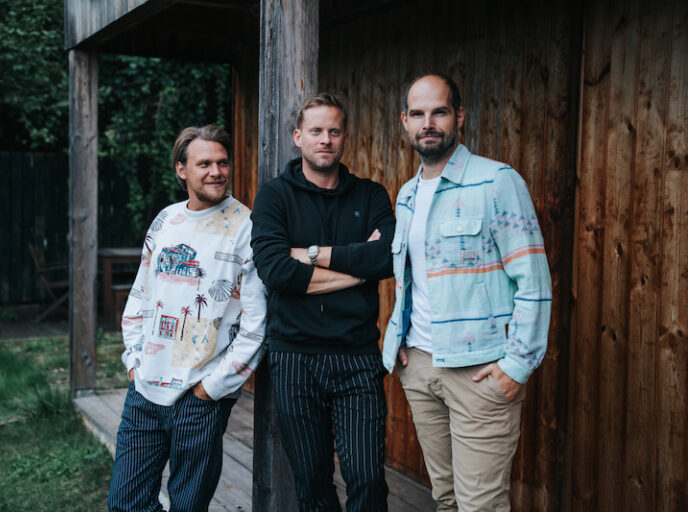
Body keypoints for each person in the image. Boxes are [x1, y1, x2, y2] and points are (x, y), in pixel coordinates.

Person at [383, 74, 552, 510]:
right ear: (405, 121)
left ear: (458, 116)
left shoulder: (497, 181)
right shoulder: (407, 195)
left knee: (481, 505)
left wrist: (517, 365)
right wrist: (401, 342)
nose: (428, 123)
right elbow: (411, 279)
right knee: (447, 499)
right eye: (418, 114)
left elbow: (533, 280)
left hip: (479, 373)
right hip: (420, 366)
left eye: (438, 112)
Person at [108, 125, 267, 512]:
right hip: (145, 390)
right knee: (125, 503)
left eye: (222, 162)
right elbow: (139, 296)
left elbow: (257, 325)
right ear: (181, 169)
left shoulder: (247, 228)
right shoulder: (166, 220)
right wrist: (134, 362)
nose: (216, 171)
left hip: (200, 397)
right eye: (204, 163)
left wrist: (211, 388)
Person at [250, 93, 395, 511]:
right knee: (312, 484)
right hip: (295, 357)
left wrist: (310, 254)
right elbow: (276, 271)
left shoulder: (370, 195)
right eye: (316, 131)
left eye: (334, 131)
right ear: (299, 137)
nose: (325, 139)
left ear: (345, 137)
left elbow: (386, 258)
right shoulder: (274, 197)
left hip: (357, 357)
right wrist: (358, 270)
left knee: (368, 478)